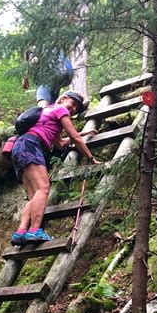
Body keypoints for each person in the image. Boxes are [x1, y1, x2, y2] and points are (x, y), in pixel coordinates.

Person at [10, 91, 99, 246]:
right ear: (62, 99)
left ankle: (21, 232)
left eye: (76, 109)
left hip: (20, 147)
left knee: (34, 195)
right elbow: (75, 138)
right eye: (72, 104)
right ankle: (34, 231)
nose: (72, 109)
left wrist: (84, 132)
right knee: (43, 188)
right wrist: (91, 158)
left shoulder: (47, 113)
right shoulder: (60, 109)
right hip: (31, 145)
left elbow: (60, 143)